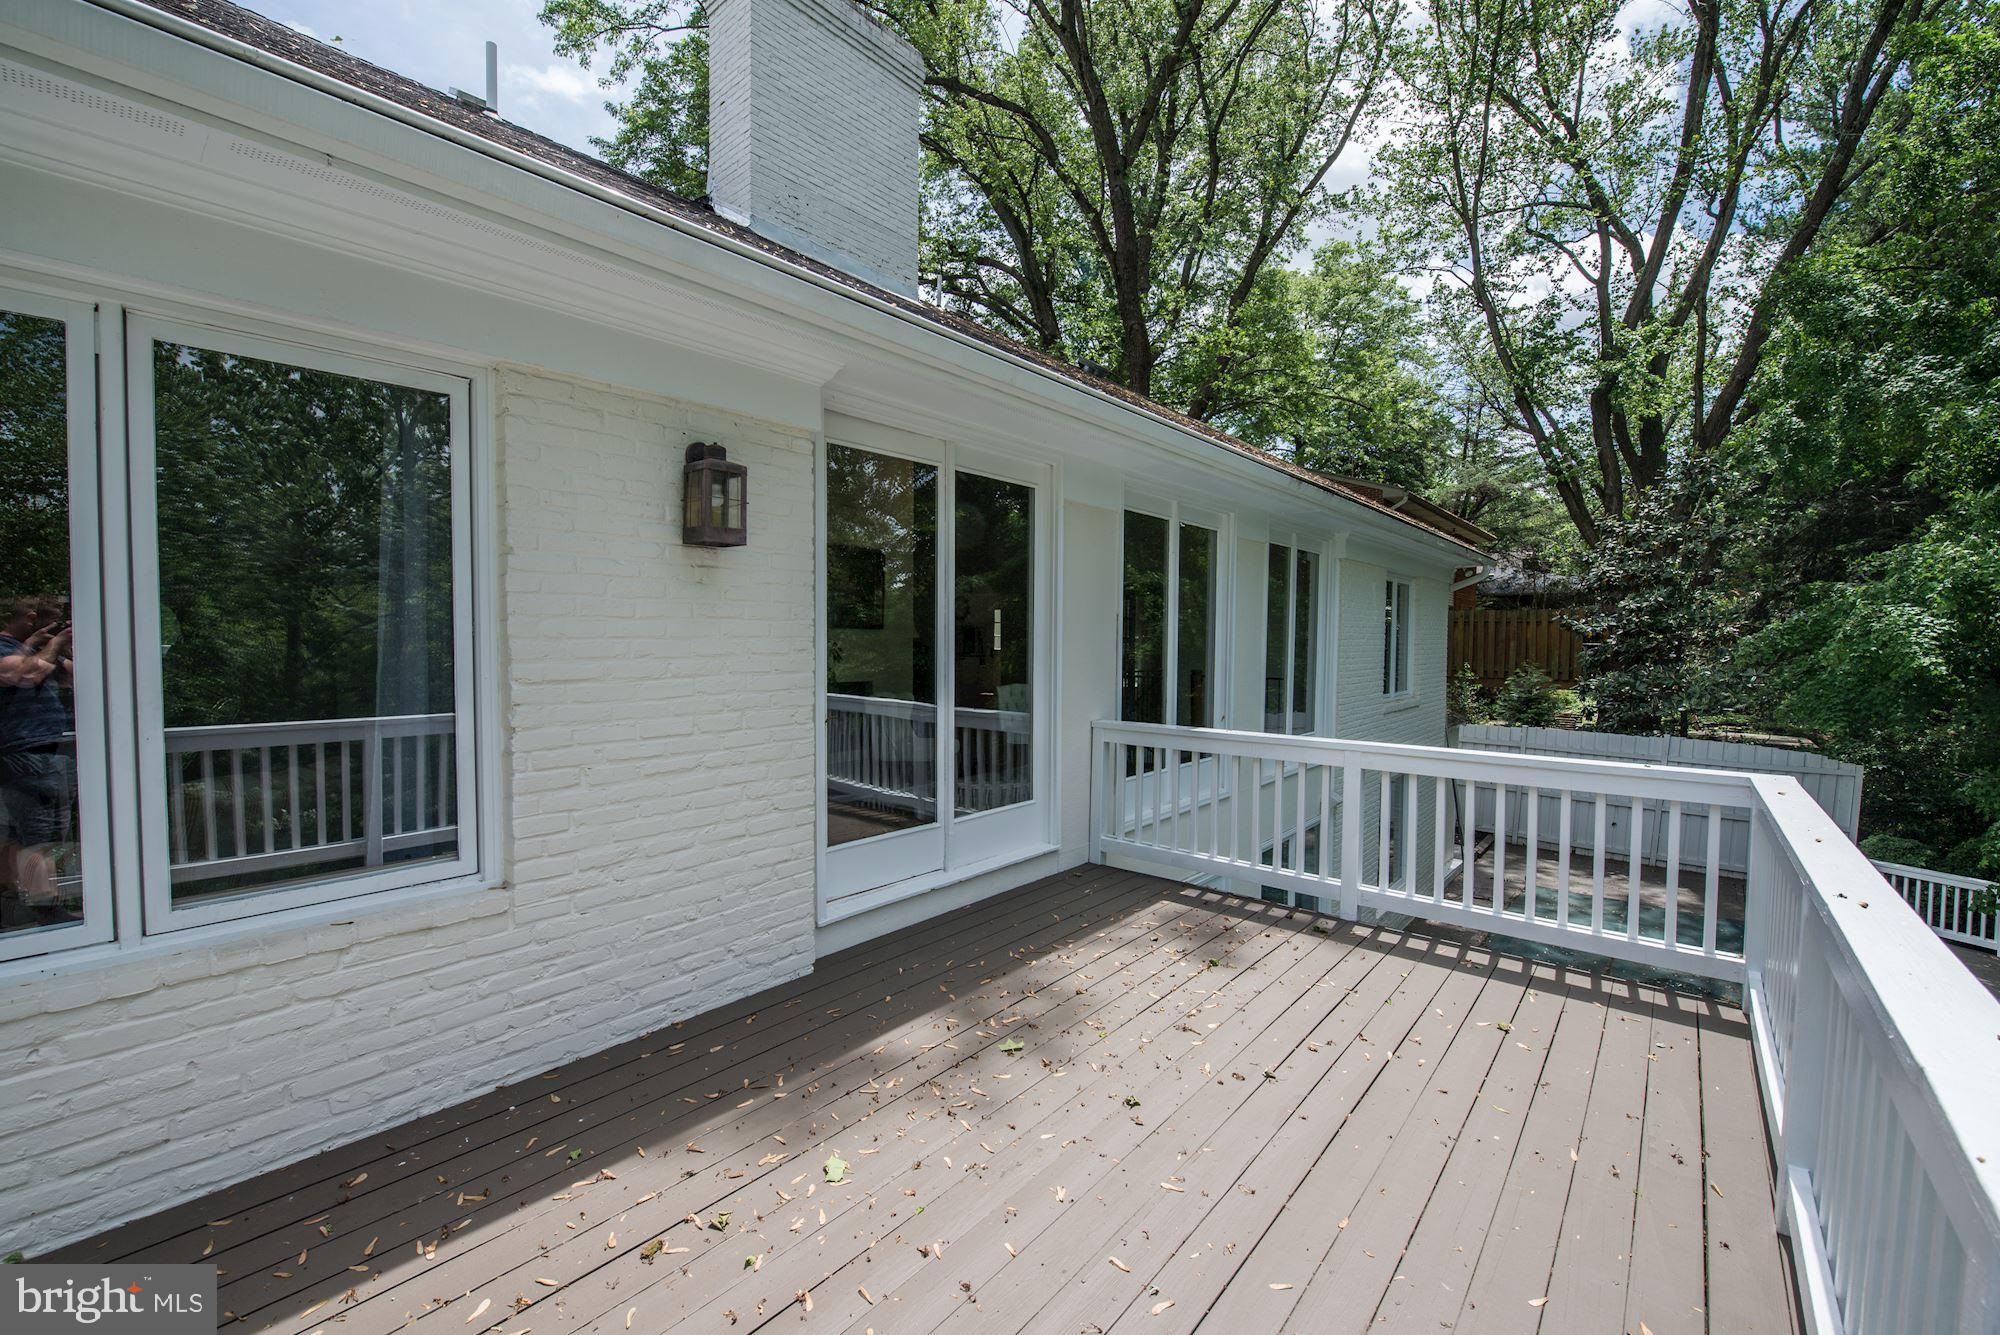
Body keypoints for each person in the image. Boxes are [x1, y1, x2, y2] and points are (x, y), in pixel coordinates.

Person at [0, 595, 75, 916]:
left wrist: (62, 647)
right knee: (41, 834)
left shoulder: (35, 650)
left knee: (24, 833)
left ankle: (22, 901)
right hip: (27, 753)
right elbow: (23, 676)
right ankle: (47, 911)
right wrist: (55, 642)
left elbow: (75, 677)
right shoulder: (5, 649)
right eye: (53, 619)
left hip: (44, 752)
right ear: (30, 618)